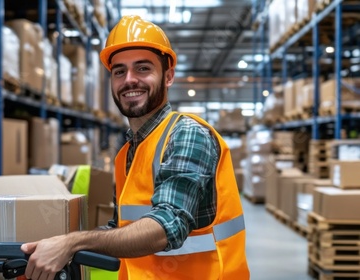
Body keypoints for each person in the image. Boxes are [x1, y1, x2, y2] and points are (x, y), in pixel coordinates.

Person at [21, 15, 250, 280]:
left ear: (168, 76)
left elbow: (166, 226)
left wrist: (73, 243)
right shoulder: (131, 150)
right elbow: (123, 227)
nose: (130, 80)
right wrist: (56, 243)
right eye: (119, 71)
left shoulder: (186, 134)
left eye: (143, 68)